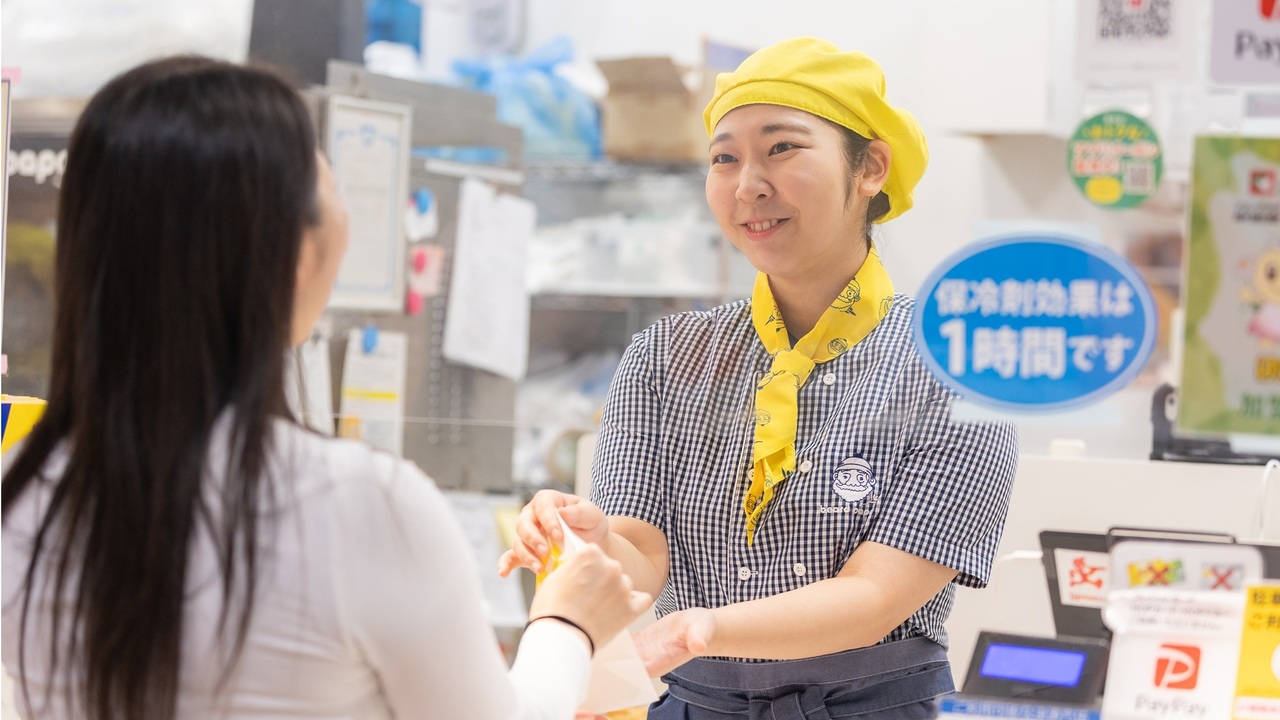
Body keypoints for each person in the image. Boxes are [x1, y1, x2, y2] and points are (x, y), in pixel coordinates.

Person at [1, 56, 650, 720]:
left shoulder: (24, 491)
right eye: (333, 189)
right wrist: (566, 624)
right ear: (297, 251)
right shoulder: (363, 504)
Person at [499, 37, 1019, 719]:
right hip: (694, 705)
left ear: (871, 168)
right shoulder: (664, 356)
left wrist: (704, 628)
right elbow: (641, 556)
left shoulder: (956, 369)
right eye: (724, 158)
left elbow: (874, 597)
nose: (748, 185)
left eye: (782, 148)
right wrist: (589, 540)